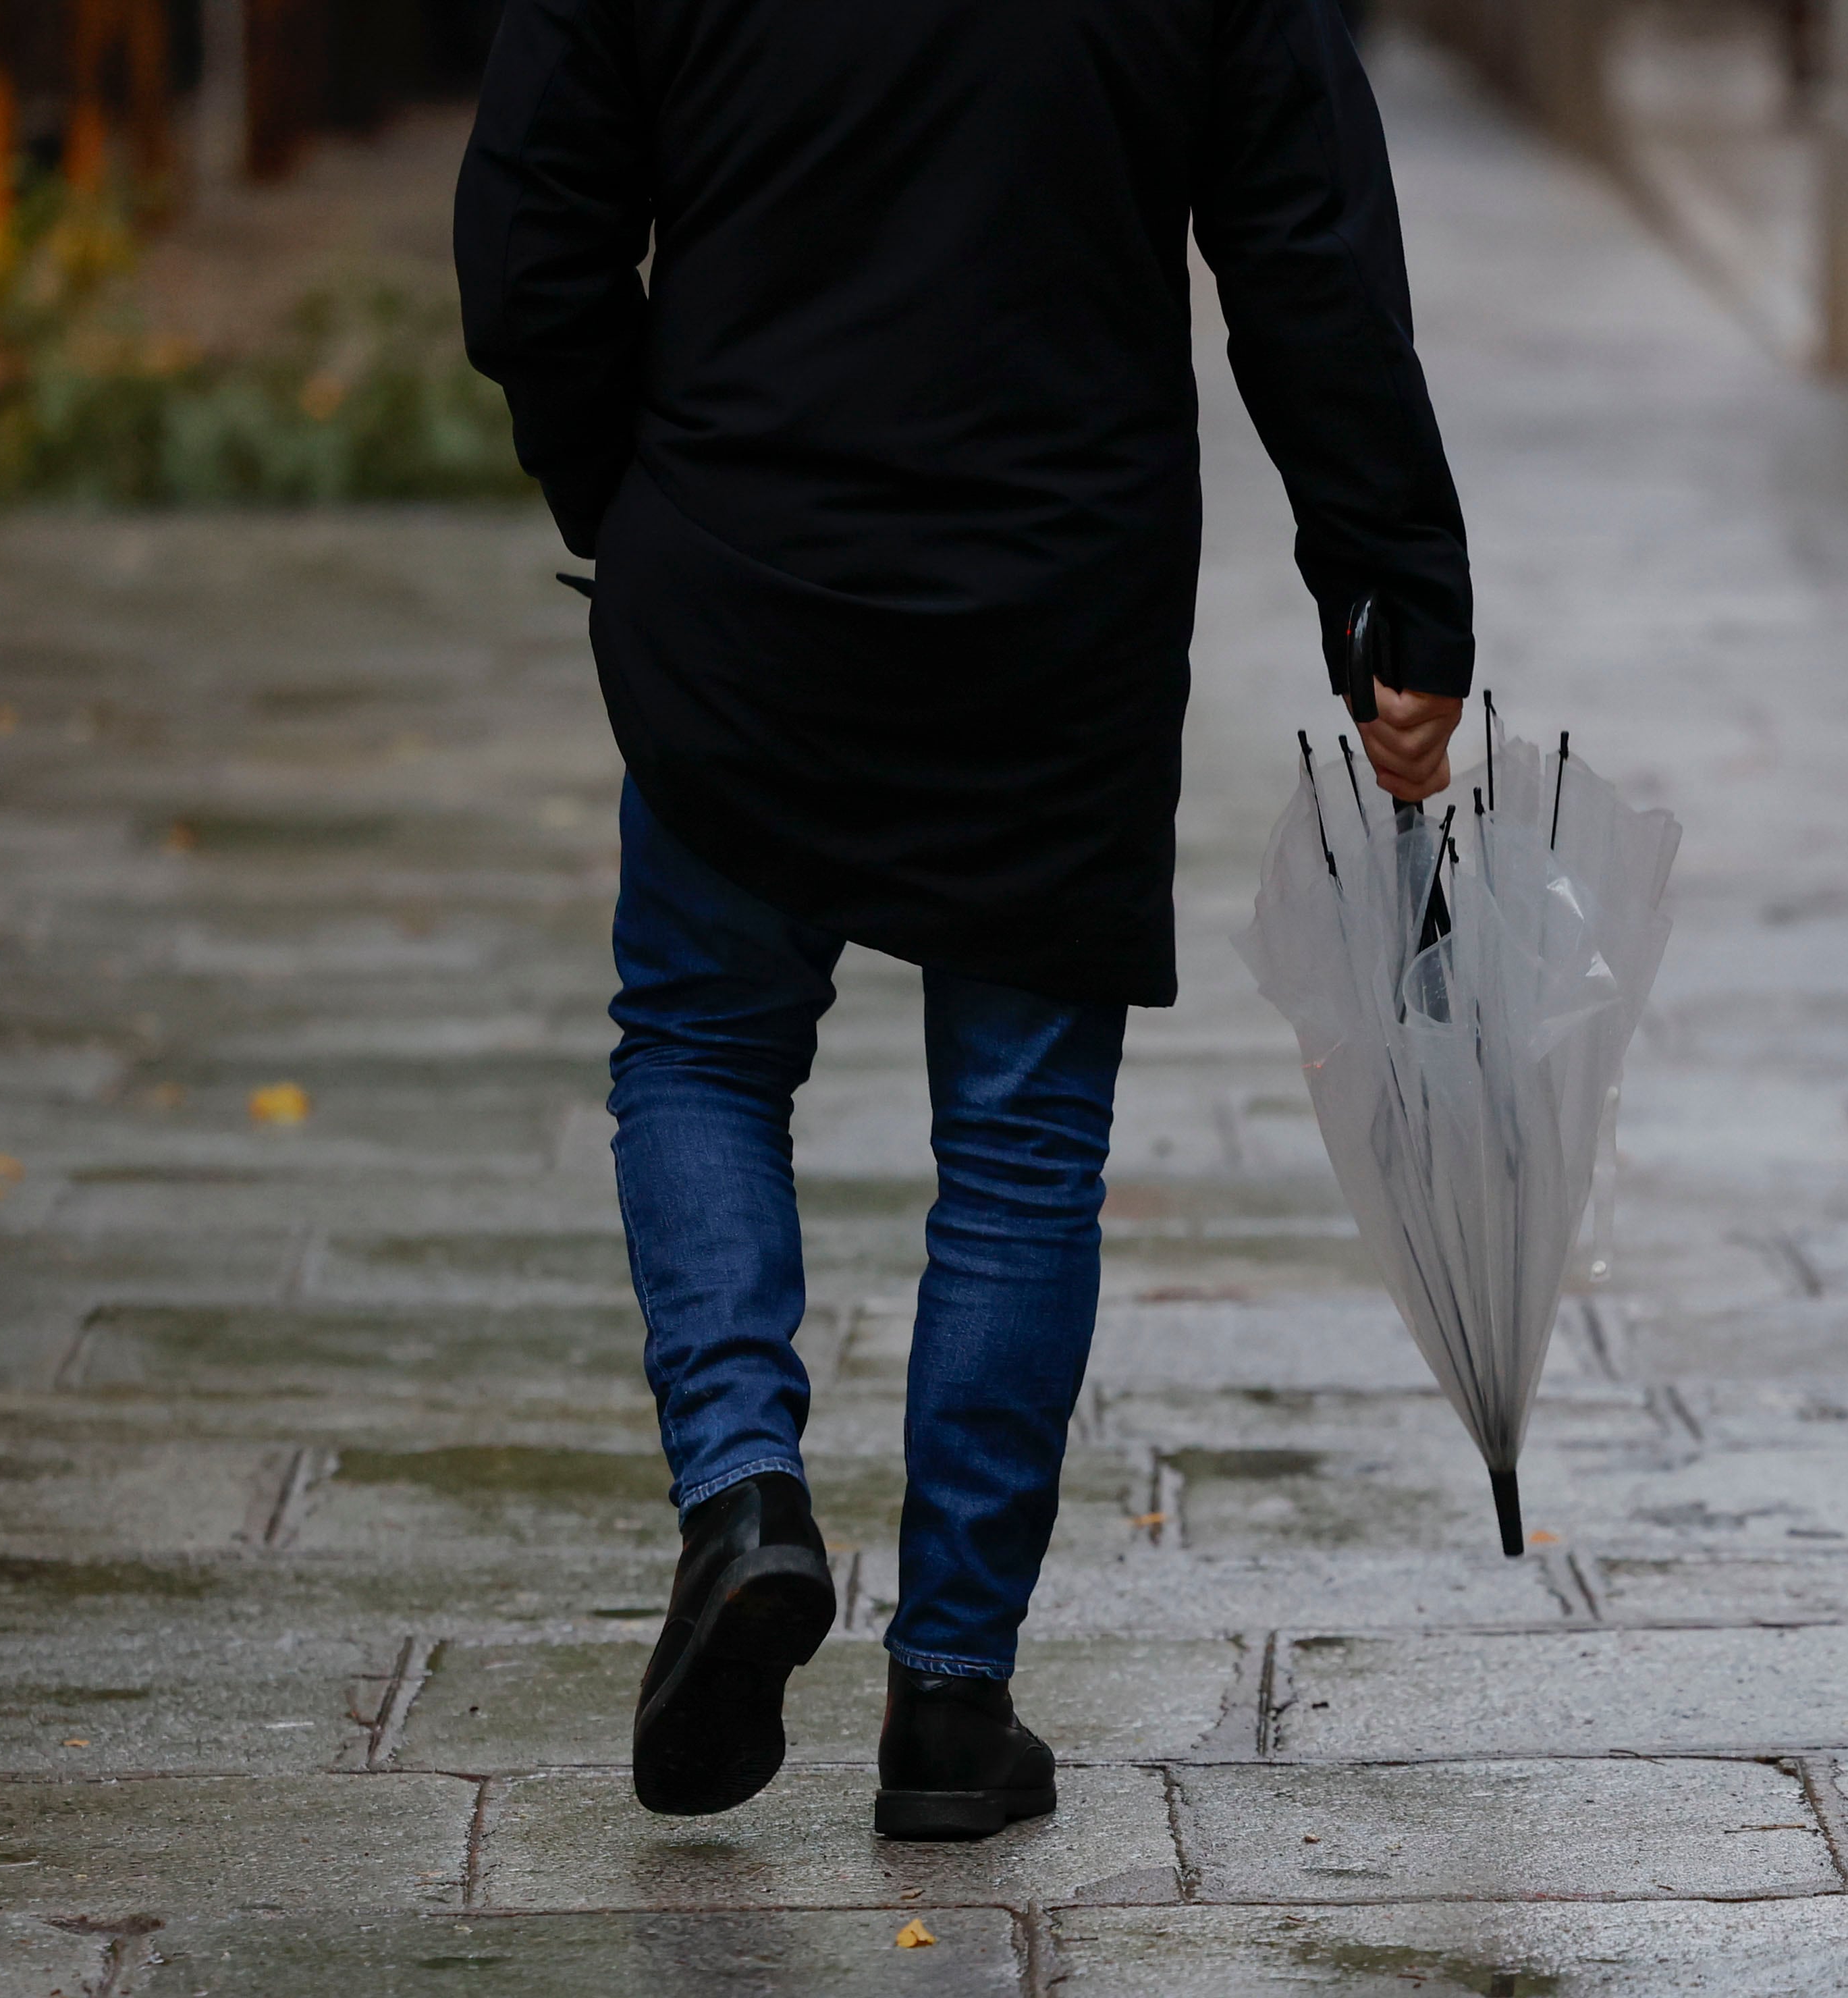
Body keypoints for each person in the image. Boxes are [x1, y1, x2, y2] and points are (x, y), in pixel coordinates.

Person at [454, 0, 1471, 1839]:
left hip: (739, 569)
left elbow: (531, 244)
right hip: (1052, 596)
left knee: (699, 1045)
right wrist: (1395, 590)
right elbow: (1307, 250)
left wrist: (627, 489)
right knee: (1019, 1147)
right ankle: (949, 1705)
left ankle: (748, 1498)